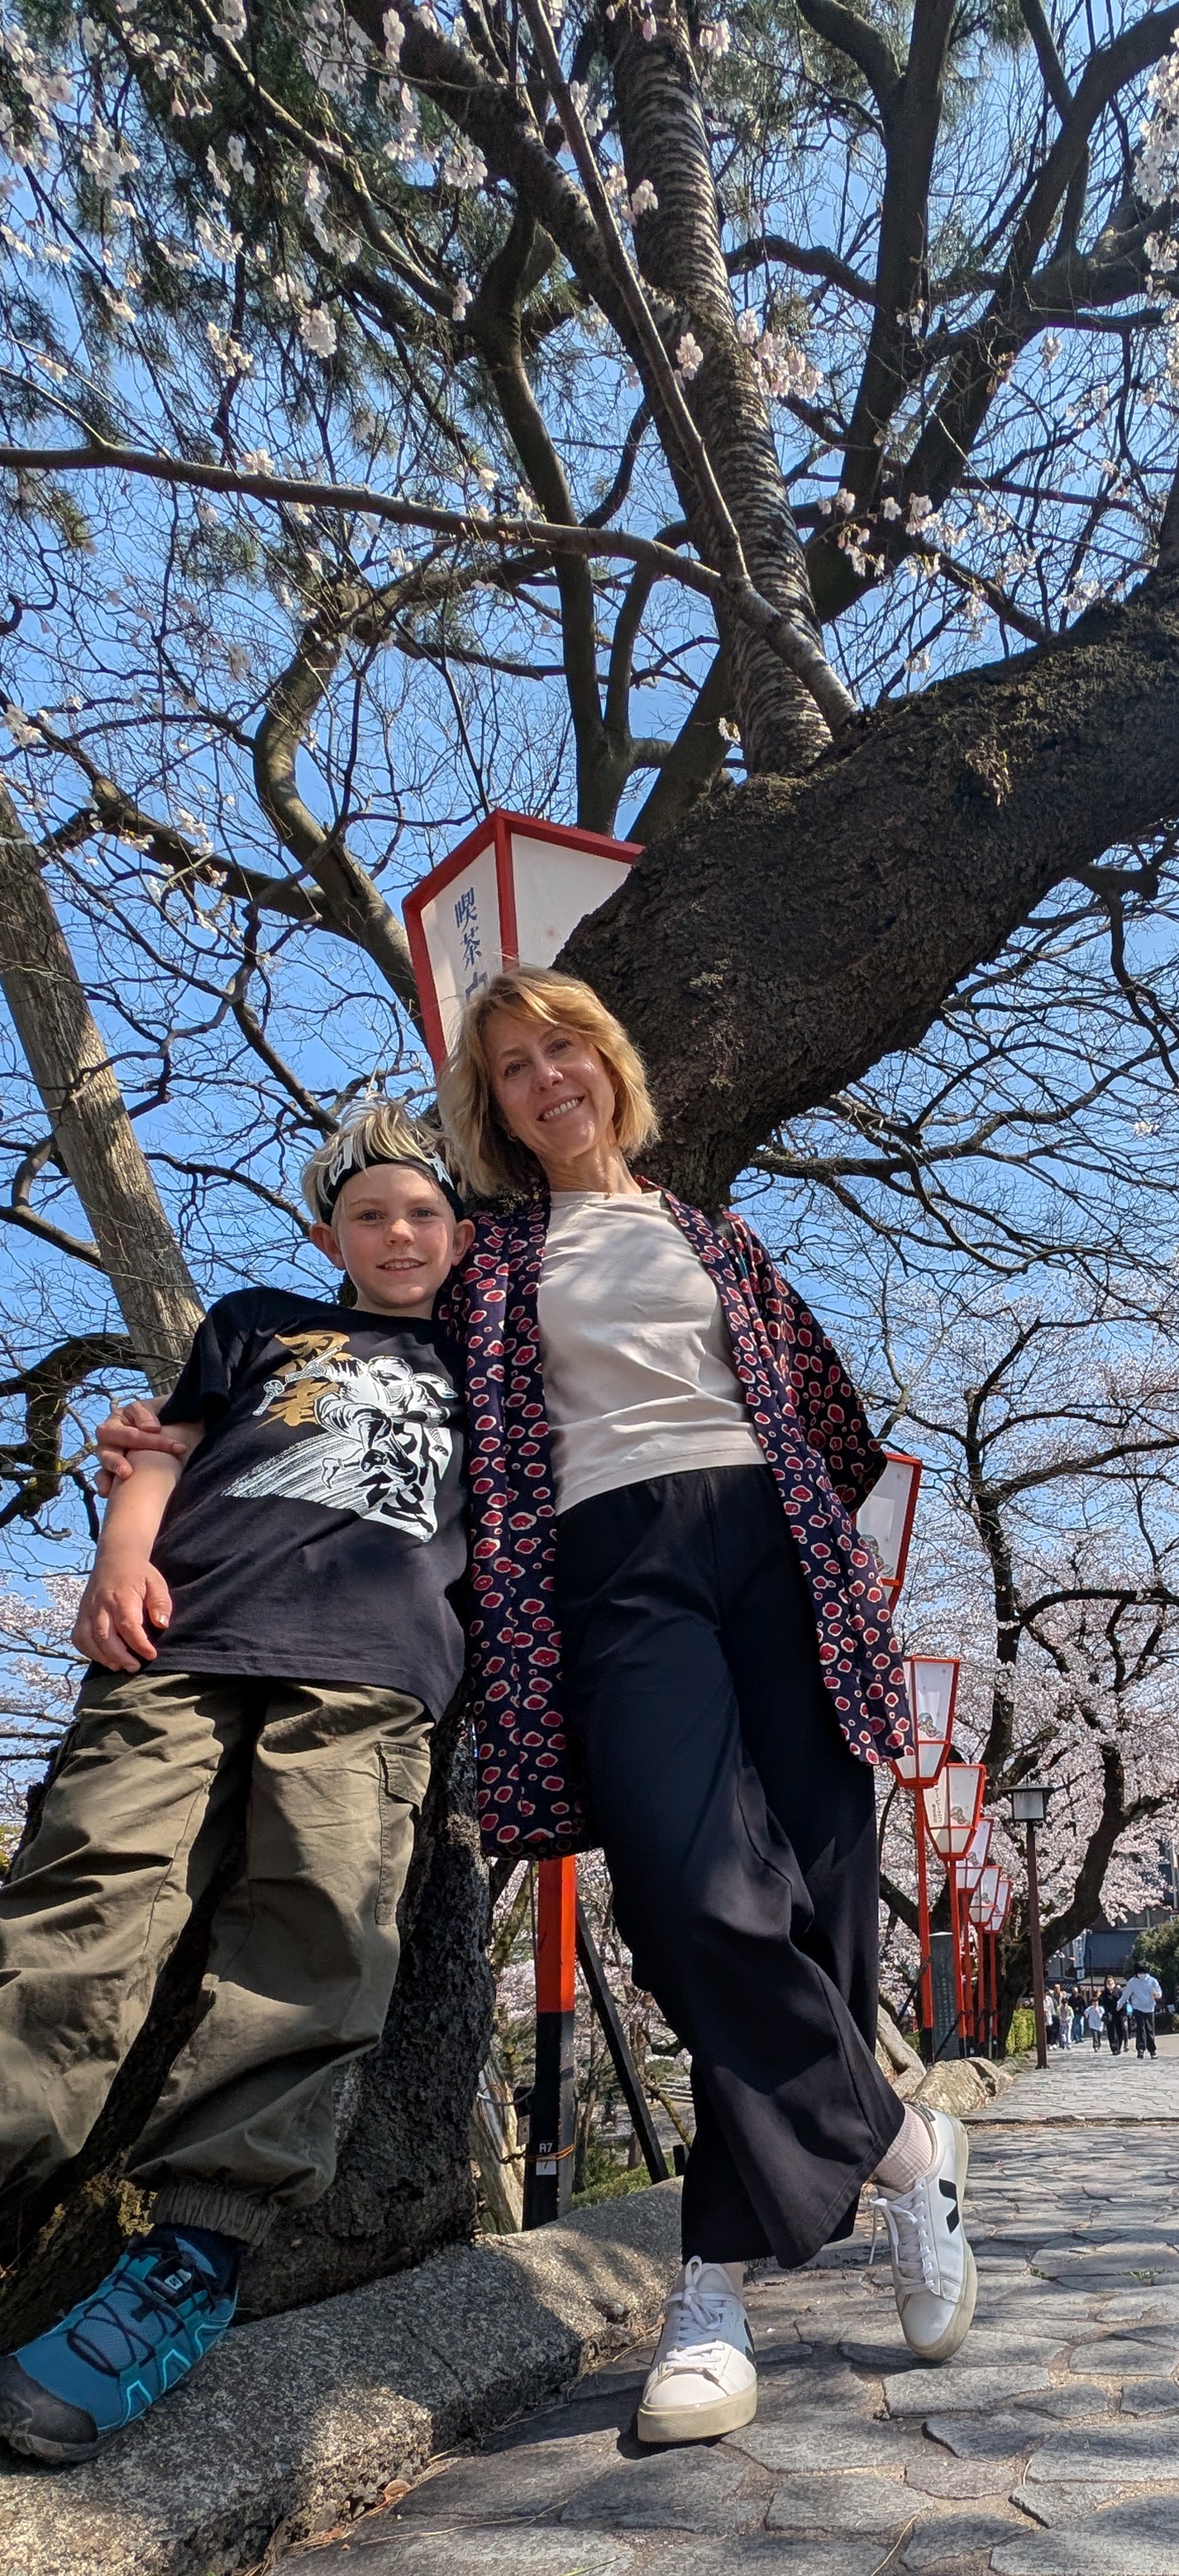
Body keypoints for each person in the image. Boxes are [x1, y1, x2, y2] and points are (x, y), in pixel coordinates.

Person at [433, 969, 973, 2447]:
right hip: (610, 1563)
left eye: (567, 1049)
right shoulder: (487, 1263)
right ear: (490, 1108)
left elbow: (828, 1414)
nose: (550, 1078)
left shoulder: (711, 1233)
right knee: (684, 1888)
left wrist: (808, 1540)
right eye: (514, 1066)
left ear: (610, 1062)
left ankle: (712, 2286)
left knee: (820, 1895)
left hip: (773, 1550)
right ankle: (903, 2141)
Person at [0, 1111, 472, 2465]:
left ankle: (191, 2257)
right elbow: (159, 1444)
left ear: (463, 1235)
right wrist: (118, 1554)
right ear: (329, 1235)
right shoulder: (259, 1320)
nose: (399, 1233)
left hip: (373, 1670)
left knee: (318, 1924)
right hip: (183, 1638)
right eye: (371, 1213)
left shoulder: (493, 1369)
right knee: (81, 1897)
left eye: (424, 1213)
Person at [1121, 1967, 1162, 2056]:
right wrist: (1120, 2003)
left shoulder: (1152, 1981)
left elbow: (1159, 1992)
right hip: (1138, 2007)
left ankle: (1152, 2050)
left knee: (1150, 2029)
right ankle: (1140, 2049)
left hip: (1150, 2008)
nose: (1141, 1975)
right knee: (1140, 2029)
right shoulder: (1133, 1982)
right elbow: (1126, 1994)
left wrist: (1157, 1995)